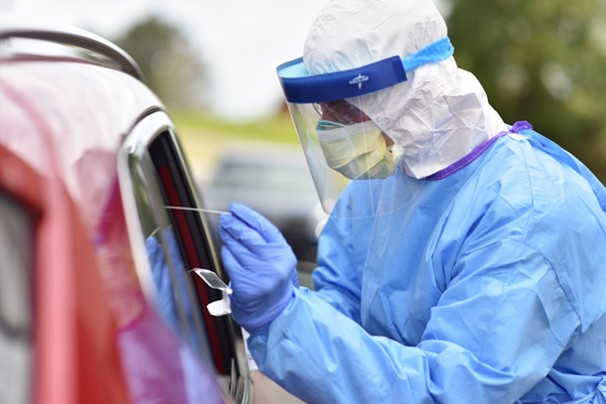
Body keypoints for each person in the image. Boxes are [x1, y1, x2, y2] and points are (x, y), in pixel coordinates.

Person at [218, 0, 606, 402]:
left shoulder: (530, 211)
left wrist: (285, 321)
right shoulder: (382, 182)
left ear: (407, 95)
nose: (328, 125)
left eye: (342, 107)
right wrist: (271, 312)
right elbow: (344, 312)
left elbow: (448, 390)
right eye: (321, 108)